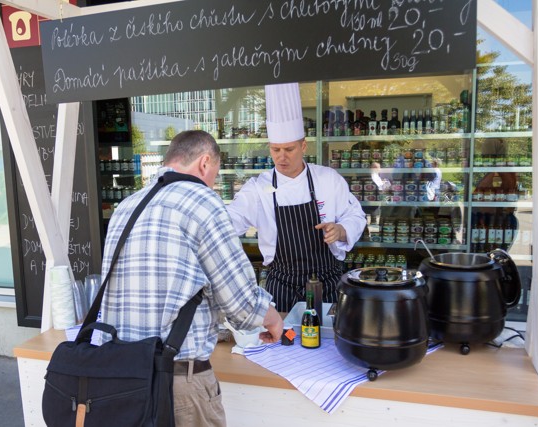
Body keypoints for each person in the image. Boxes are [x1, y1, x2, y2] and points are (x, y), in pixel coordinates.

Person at [101, 130, 283, 427]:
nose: (213, 181)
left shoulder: (127, 206)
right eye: (215, 173)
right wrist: (272, 319)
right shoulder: (203, 202)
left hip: (120, 376)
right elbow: (240, 302)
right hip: (176, 382)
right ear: (205, 162)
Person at [227, 83, 366, 312]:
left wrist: (341, 229)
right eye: (275, 150)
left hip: (327, 283)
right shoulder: (257, 188)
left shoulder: (328, 179)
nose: (281, 157)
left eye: (289, 149)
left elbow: (355, 215)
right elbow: (229, 221)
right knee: (281, 341)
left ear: (303, 146)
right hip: (281, 285)